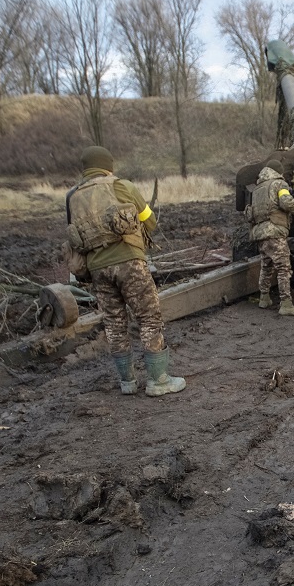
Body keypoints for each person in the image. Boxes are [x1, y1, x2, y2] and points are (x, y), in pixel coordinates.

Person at [66, 145, 185, 397]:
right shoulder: (122, 186)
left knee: (114, 323)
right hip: (129, 262)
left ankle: (127, 382)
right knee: (149, 317)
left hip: (97, 269)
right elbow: (150, 221)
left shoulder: (72, 197)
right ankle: (158, 381)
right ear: (108, 165)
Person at [247, 159, 294, 316]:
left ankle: (264, 298)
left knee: (266, 266)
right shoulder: (279, 184)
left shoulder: (258, 189)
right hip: (274, 231)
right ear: (279, 172)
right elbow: (286, 202)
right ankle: (286, 304)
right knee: (283, 268)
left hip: (260, 233)